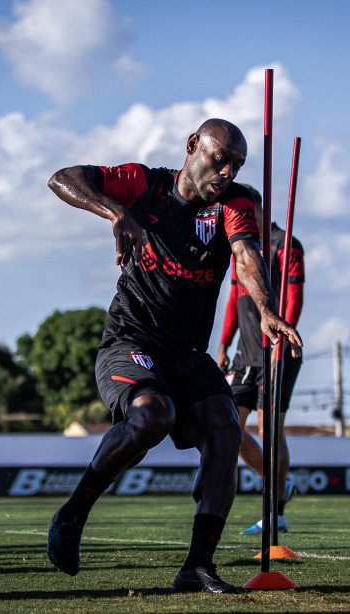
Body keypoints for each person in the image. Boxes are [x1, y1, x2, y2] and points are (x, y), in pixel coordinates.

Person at [46, 118, 302, 594]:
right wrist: (114, 212)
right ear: (193, 146)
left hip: (187, 356)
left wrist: (267, 311)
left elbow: (246, 256)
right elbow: (62, 177)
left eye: (236, 165)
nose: (226, 171)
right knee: (153, 414)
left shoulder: (234, 203)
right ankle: (72, 514)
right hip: (131, 343)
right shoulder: (145, 185)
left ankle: (198, 565)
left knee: (226, 428)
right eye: (220, 158)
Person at [217, 186, 305, 535]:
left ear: (258, 209)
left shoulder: (286, 244)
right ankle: (279, 485)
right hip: (245, 355)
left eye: (245, 211)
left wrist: (283, 340)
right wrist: (224, 343)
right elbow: (234, 299)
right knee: (229, 428)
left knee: (269, 431)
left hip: (276, 350)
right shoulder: (240, 248)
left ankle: (275, 510)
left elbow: (295, 296)